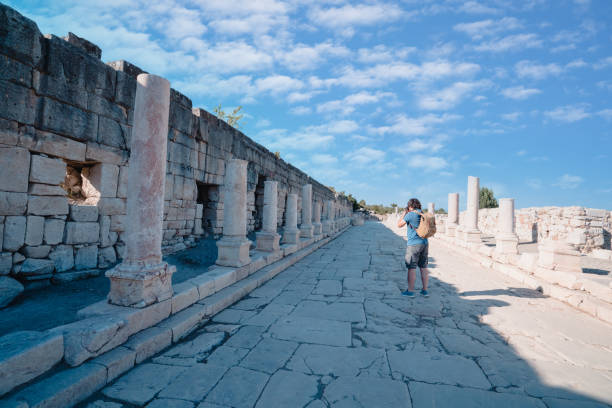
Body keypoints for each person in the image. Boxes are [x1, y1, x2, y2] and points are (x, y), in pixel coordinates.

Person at [396, 198, 430, 298]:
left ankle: (410, 291)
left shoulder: (411, 214)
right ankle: (424, 290)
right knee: (423, 267)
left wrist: (404, 214)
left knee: (411, 267)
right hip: (425, 243)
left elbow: (399, 225)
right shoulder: (423, 213)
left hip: (414, 244)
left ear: (410, 206)